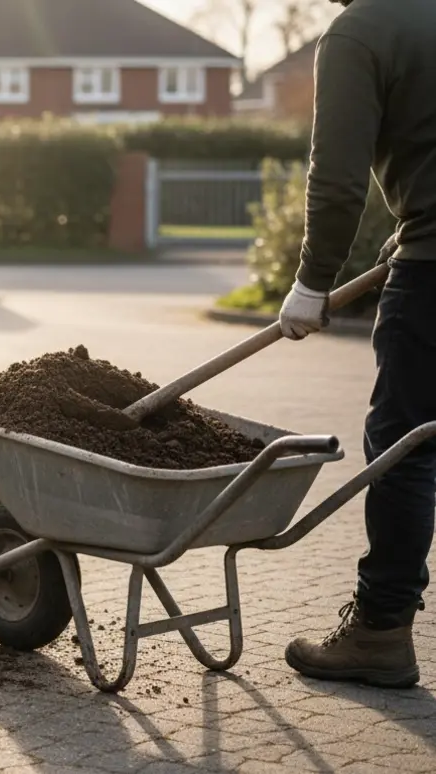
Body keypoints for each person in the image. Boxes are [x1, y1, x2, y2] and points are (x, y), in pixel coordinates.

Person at [277, 0, 436, 689]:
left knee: (404, 450)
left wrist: (313, 282)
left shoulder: (362, 30)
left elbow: (337, 179)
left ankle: (379, 632)